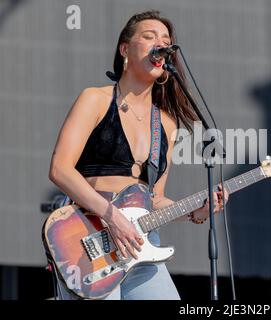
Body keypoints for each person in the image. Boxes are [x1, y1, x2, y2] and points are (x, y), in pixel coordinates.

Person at [48, 10, 228, 300]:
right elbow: (59, 169)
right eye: (149, 37)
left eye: (165, 40)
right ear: (125, 49)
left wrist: (197, 211)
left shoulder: (166, 123)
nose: (160, 43)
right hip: (90, 237)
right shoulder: (95, 99)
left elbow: (154, 198)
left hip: (140, 245)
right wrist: (113, 216)